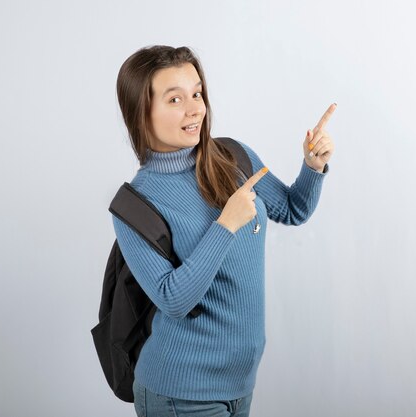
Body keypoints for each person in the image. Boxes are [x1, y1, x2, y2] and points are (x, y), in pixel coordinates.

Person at [113, 45, 336, 417]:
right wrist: (226, 224)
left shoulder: (231, 157)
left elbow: (293, 209)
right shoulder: (135, 204)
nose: (195, 108)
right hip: (179, 394)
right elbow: (173, 299)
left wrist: (312, 167)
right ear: (141, 113)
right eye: (175, 98)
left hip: (240, 384)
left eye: (197, 93)